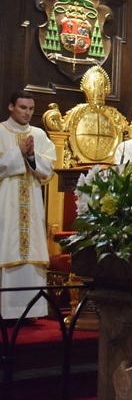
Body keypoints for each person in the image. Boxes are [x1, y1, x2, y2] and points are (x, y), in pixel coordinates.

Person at [0, 91, 57, 321]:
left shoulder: (39, 135)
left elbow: (48, 171)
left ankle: (31, 313)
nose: (27, 113)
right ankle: (6, 312)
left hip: (32, 203)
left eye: (31, 109)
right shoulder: (1, 131)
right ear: (11, 107)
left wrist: (32, 155)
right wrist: (18, 152)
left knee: (32, 251)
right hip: (7, 203)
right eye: (23, 107)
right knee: (7, 246)